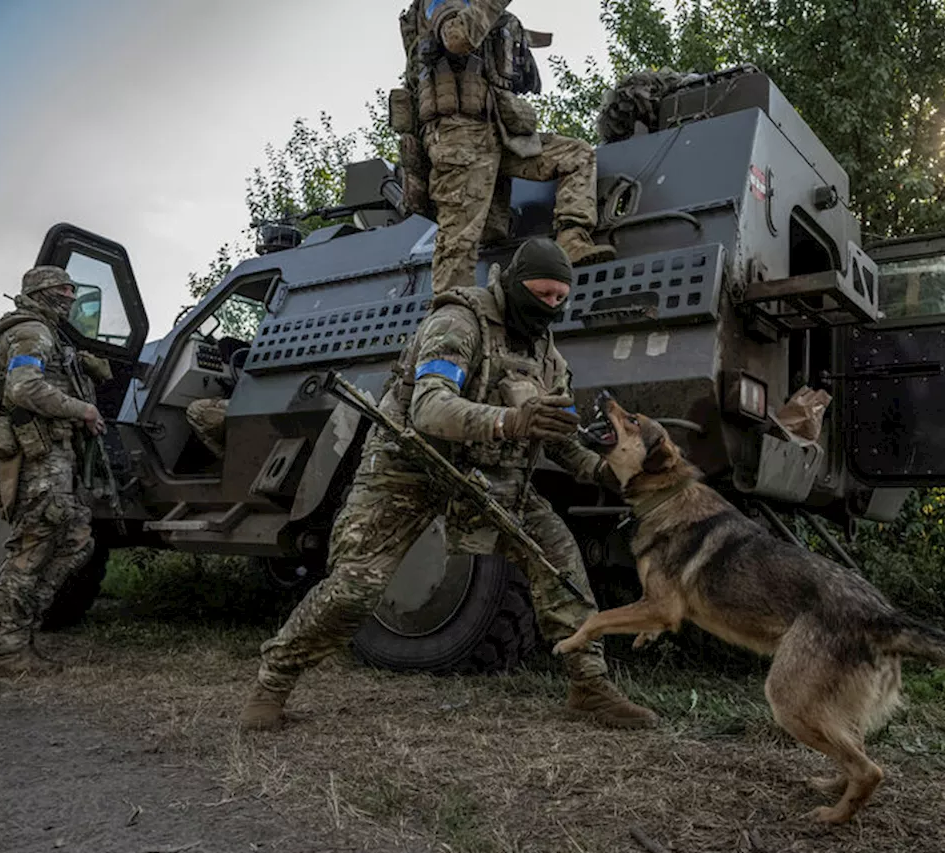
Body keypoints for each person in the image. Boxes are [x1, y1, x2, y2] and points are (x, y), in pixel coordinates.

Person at [238, 238, 658, 731]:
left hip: (488, 476)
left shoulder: (548, 360)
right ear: (513, 284)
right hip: (409, 467)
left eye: (559, 300)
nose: (550, 308)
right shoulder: (458, 323)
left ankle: (589, 686)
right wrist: (512, 421)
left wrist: (604, 472)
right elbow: (429, 408)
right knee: (355, 588)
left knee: (561, 567)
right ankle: (273, 682)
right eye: (541, 295)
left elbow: (560, 440)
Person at [396, 0, 615, 296]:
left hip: (498, 129)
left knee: (576, 155)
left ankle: (571, 240)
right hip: (458, 137)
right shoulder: (441, 4)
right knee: (458, 244)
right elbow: (456, 38)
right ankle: (451, 313)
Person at [0, 266, 108, 676]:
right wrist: (81, 409)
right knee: (34, 547)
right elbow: (23, 387)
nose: (71, 296)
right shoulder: (32, 331)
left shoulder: (45, 331)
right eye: (64, 289)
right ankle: (8, 650)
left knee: (75, 538)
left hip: (50, 452)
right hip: (37, 455)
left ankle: (19, 635)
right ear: (44, 292)